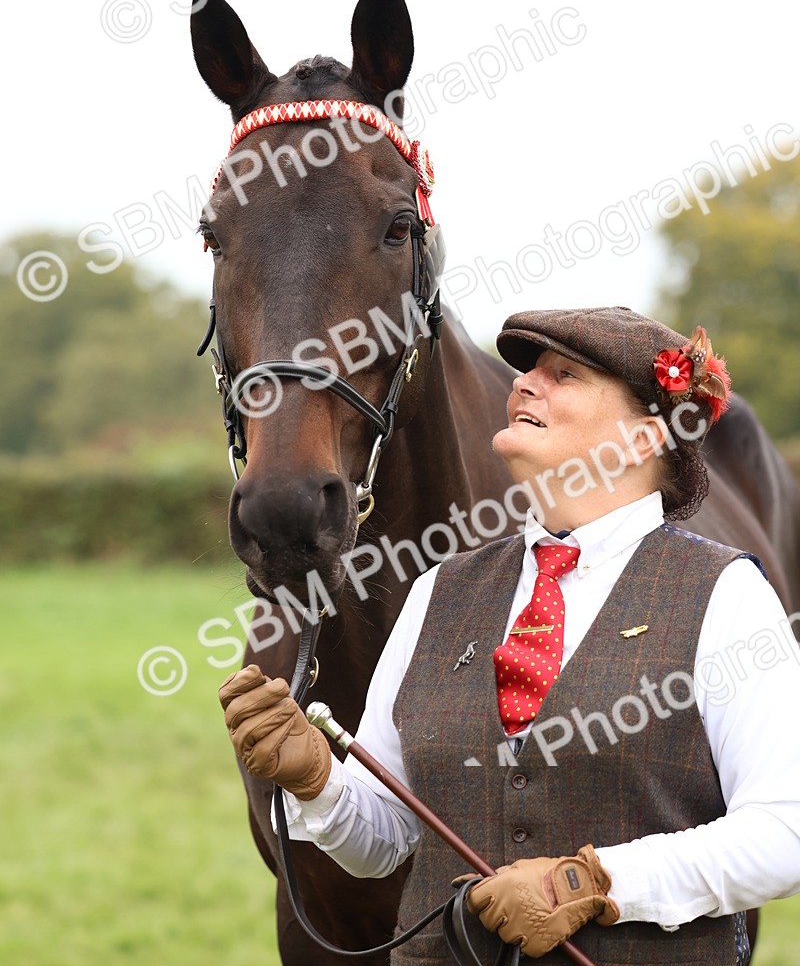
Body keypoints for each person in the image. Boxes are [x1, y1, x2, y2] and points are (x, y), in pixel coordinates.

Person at [220, 306, 800, 964]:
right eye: (526, 372)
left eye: (565, 375)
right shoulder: (437, 591)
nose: (522, 385)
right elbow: (385, 838)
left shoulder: (726, 595)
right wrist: (317, 778)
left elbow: (786, 832)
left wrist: (593, 884)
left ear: (643, 438)